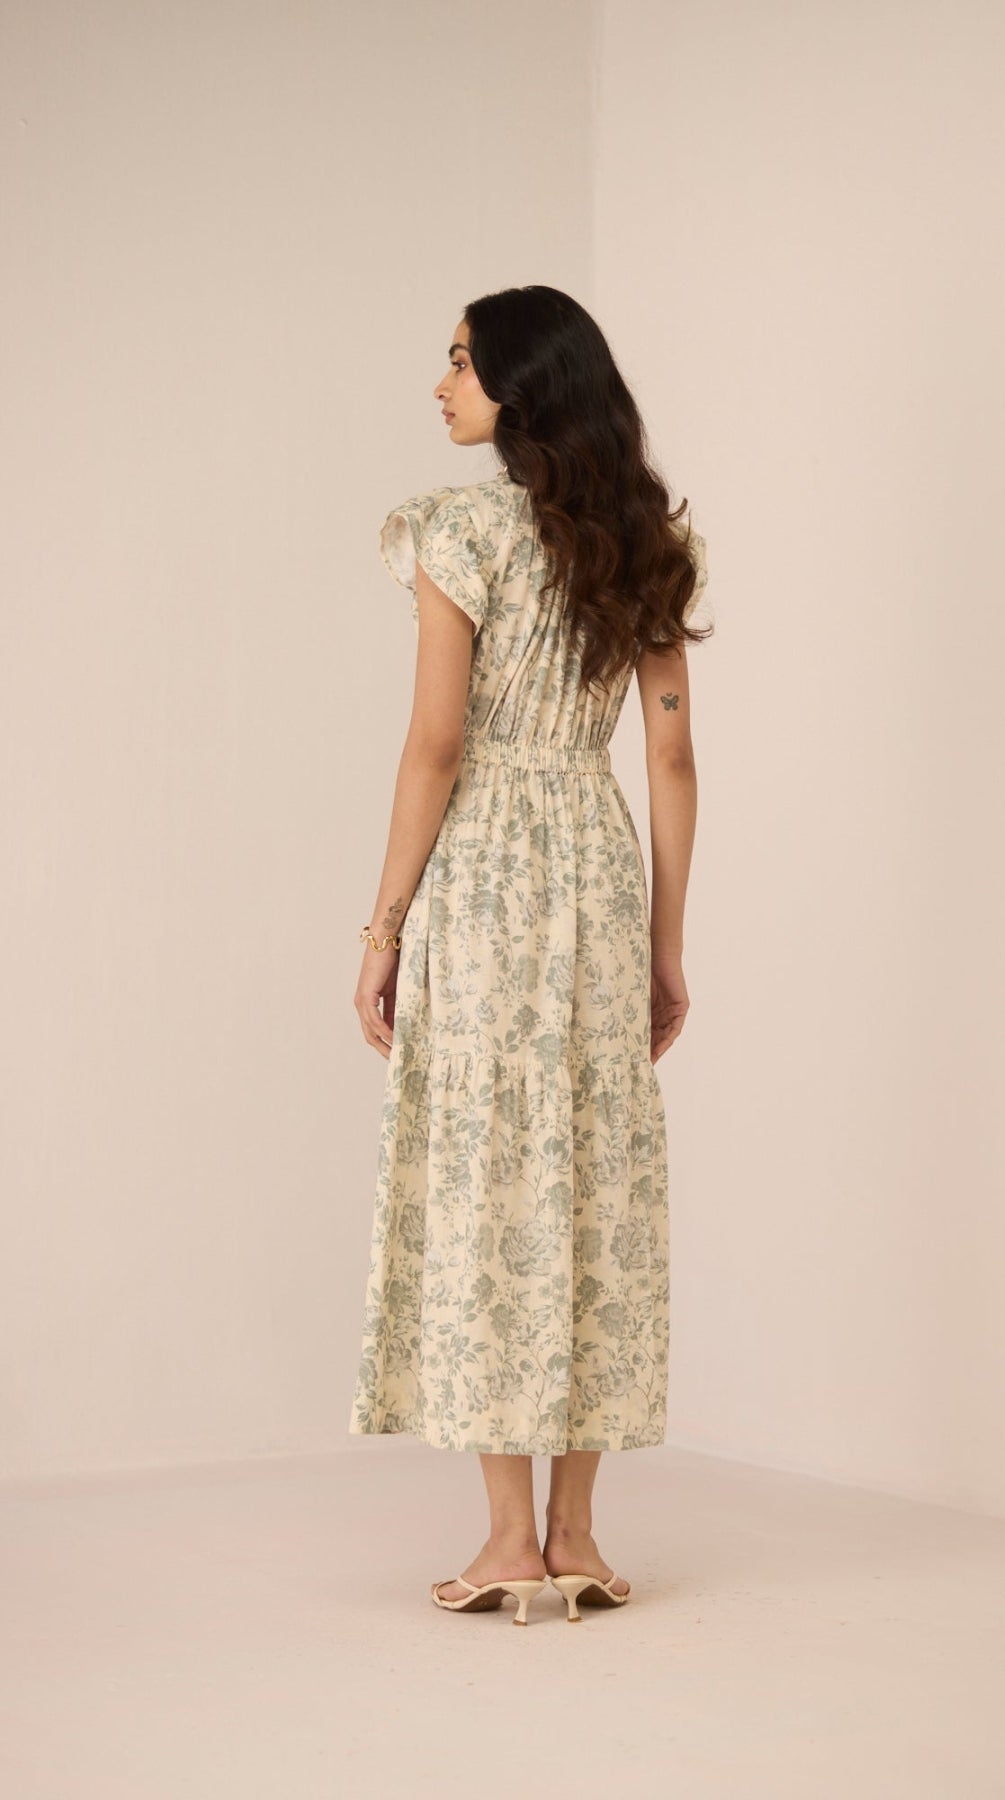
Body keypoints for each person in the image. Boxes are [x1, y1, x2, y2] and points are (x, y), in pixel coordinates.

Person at [348, 285, 711, 1623]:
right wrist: (667, 947)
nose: (440, 385)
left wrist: (383, 925)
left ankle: (508, 1543)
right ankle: (582, 1537)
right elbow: (669, 756)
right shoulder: (646, 541)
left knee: (491, 1175)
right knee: (592, 1178)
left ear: (519, 383)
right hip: (600, 872)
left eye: (459, 363)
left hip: (491, 874)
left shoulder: (458, 532)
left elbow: (436, 747)